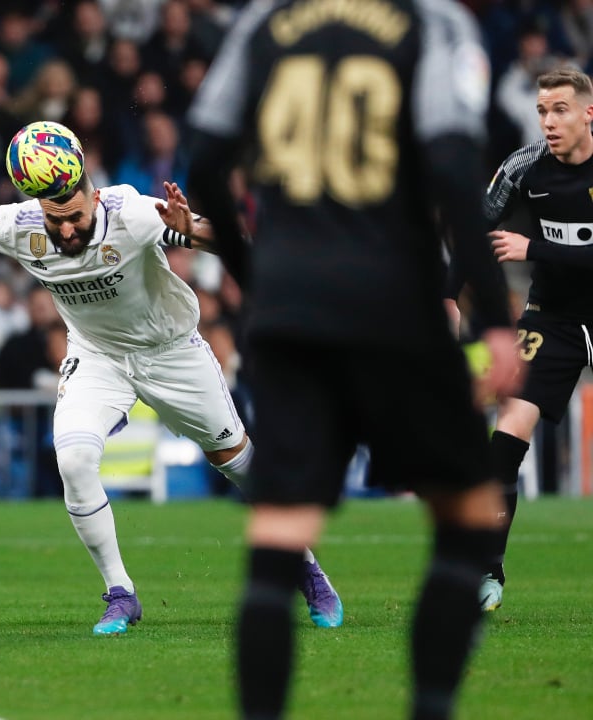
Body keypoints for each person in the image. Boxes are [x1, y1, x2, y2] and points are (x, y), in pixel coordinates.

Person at [182, 1, 523, 718]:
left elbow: (206, 156)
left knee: (279, 527)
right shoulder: (431, 22)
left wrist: (252, 265)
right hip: (392, 300)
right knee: (467, 511)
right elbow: (456, 168)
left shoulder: (264, 21)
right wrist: (493, 317)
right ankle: (431, 706)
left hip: (288, 306)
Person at [0, 159, 343, 636]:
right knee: (74, 460)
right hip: (97, 356)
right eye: (54, 219)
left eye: (75, 218)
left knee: (236, 458)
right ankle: (121, 594)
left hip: (170, 350)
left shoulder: (131, 212)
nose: (65, 230)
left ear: (94, 196)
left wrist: (196, 232)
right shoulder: (19, 224)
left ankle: (305, 569)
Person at [478, 67, 593, 612]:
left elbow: (535, 248)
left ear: (588, 113)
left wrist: (537, 249)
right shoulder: (524, 168)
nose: (549, 122)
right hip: (553, 318)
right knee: (507, 433)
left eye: (561, 110)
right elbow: (477, 226)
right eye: (543, 111)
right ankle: (487, 571)